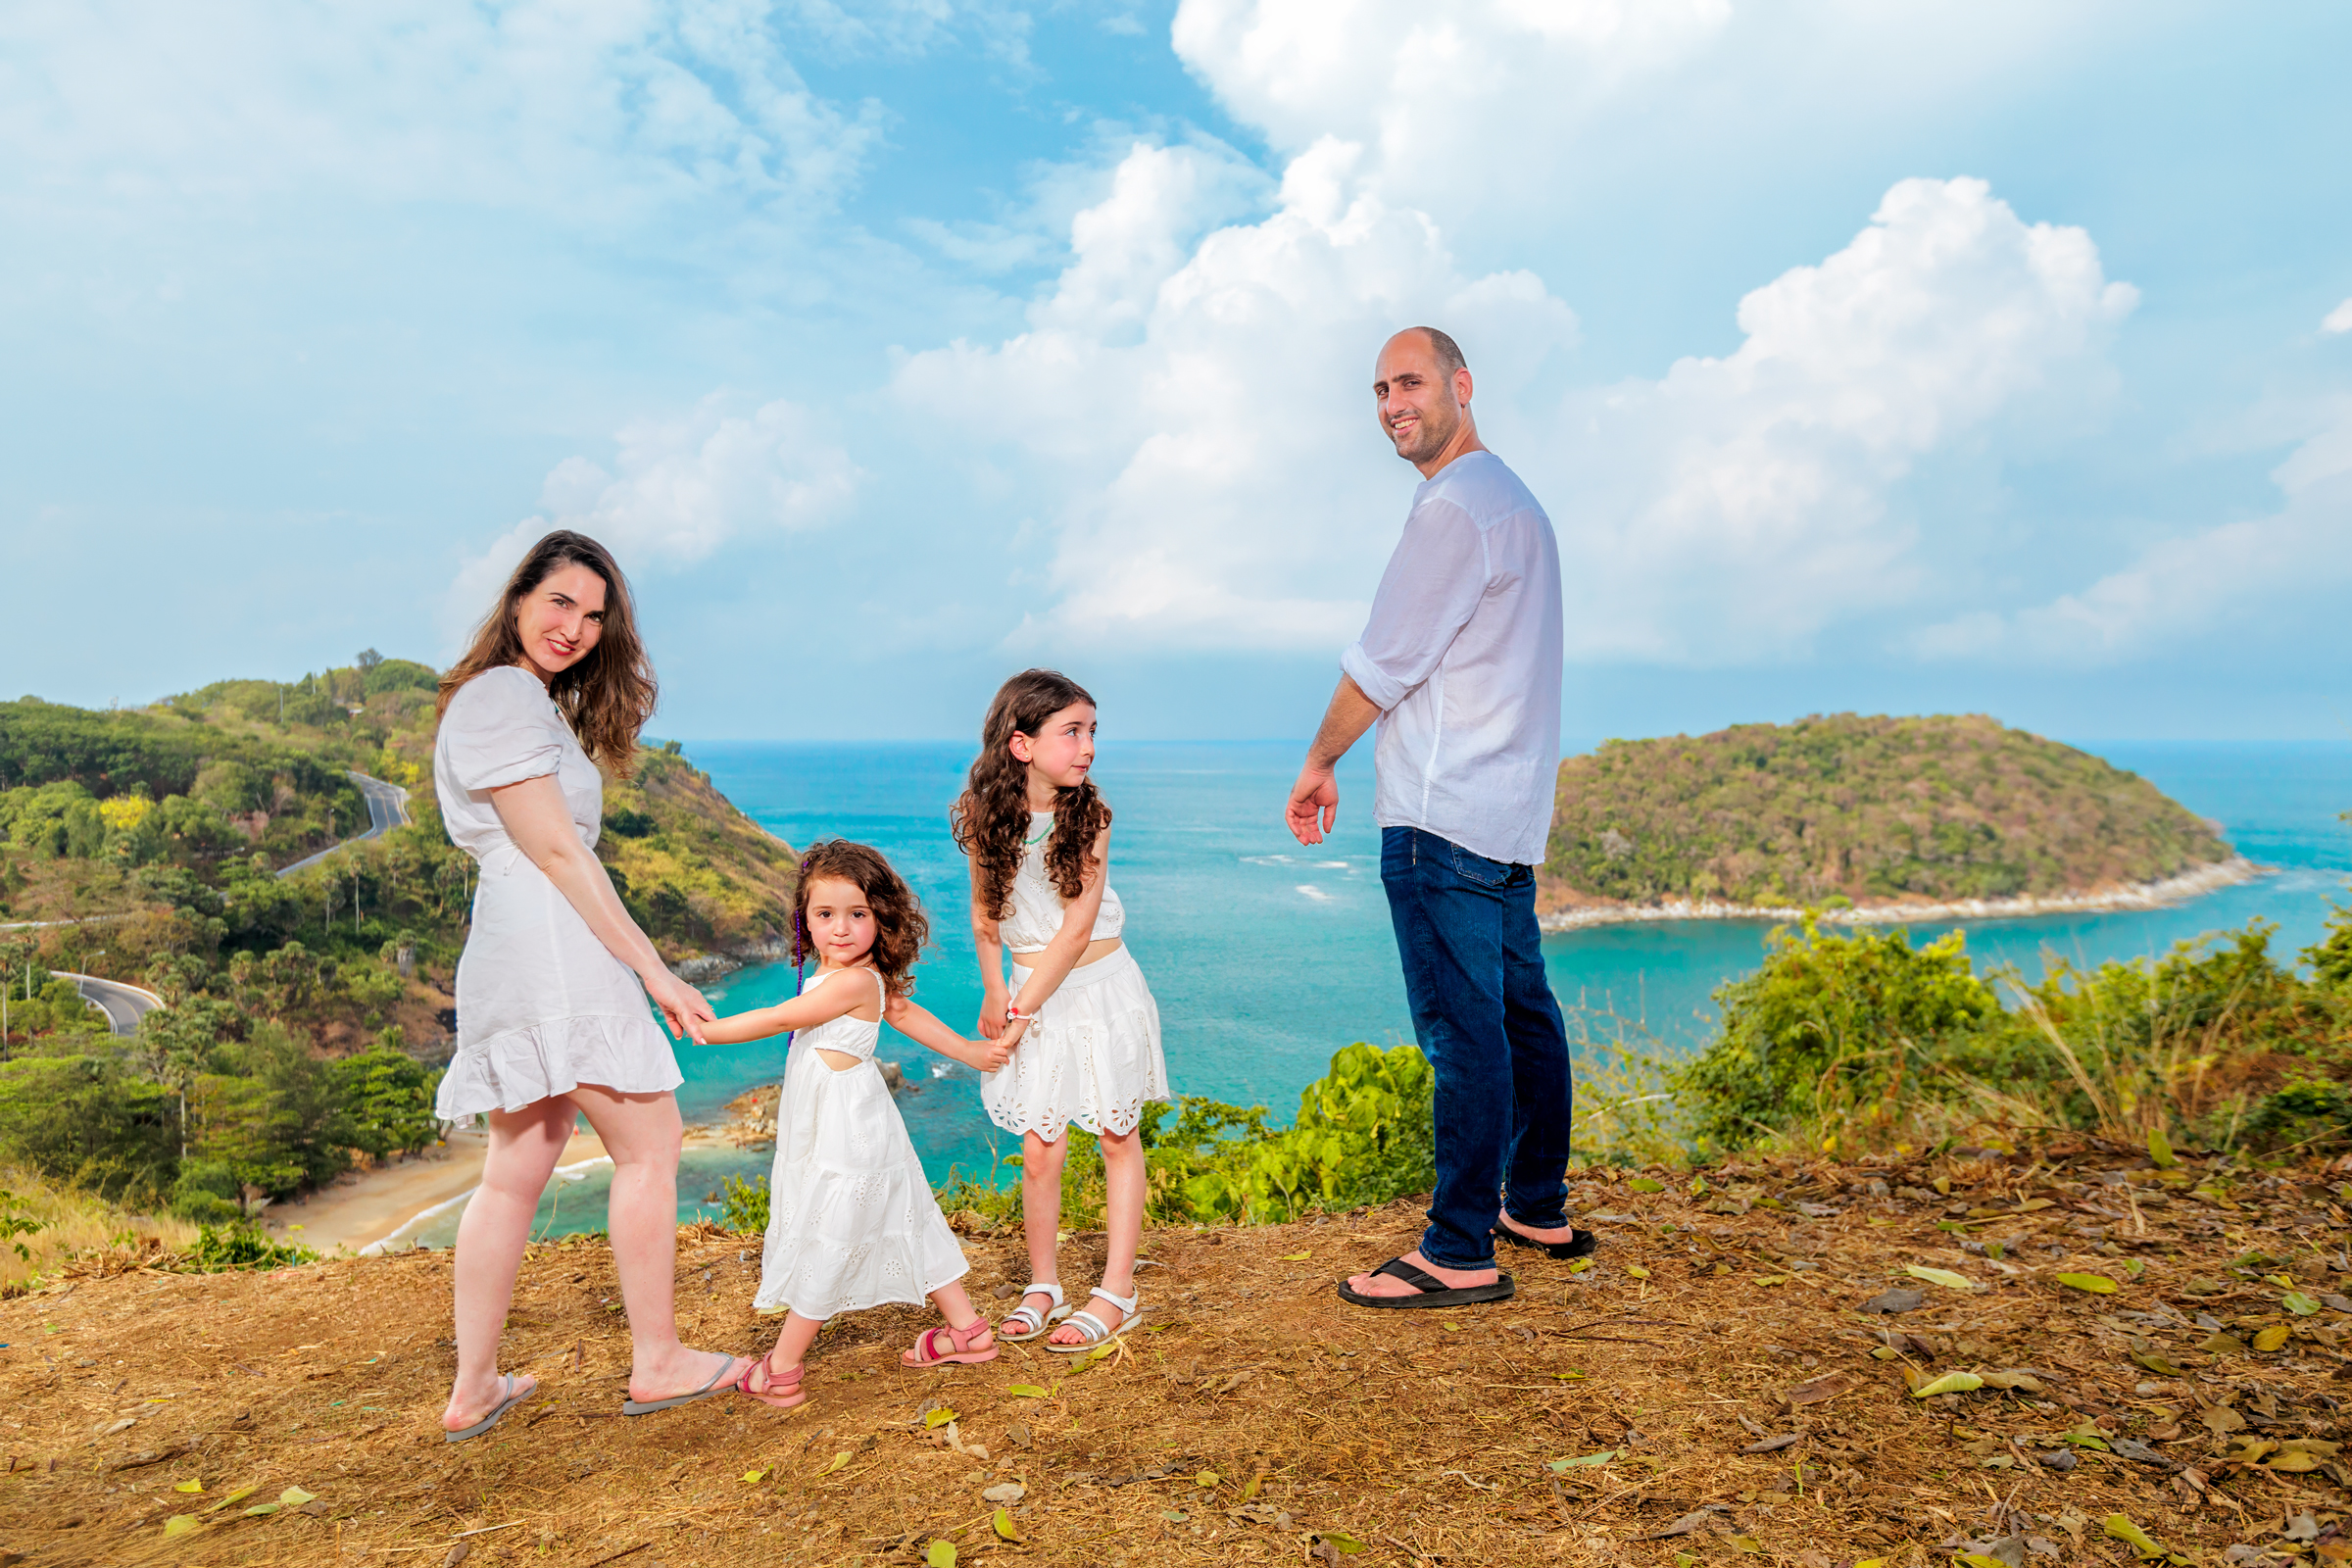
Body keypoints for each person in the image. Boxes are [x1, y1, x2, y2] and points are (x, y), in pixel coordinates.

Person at [1285, 327, 1587, 1311]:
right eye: (1378, 389)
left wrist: (1322, 758)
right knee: (1521, 1014)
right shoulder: (1518, 505)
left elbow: (1382, 661)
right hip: (1504, 808)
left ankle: (1458, 1245)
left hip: (1441, 812)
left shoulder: (1454, 510)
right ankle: (1535, 1202)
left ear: (1462, 384)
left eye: (1408, 382)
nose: (1390, 403)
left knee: (1465, 1034)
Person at [432, 529, 745, 1440]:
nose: (575, 626)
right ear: (519, 598)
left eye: (595, 615)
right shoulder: (500, 696)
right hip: (552, 941)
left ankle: (475, 1387)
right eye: (561, 601)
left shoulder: (520, 702)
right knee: (651, 1141)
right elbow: (561, 851)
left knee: (520, 1162)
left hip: (519, 940)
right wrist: (654, 972)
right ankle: (658, 1360)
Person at [710, 841, 1013, 1409]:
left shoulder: (851, 981)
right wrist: (969, 1053)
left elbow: (779, 1018)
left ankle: (781, 1368)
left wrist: (707, 1028)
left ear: (882, 917)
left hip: (845, 1129)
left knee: (834, 1233)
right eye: (825, 915)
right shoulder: (851, 971)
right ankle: (967, 1331)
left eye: (858, 915)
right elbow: (903, 1011)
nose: (841, 929)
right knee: (905, 1216)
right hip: (853, 1119)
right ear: (806, 916)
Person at [952, 669, 1169, 1351]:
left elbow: (1075, 933)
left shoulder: (1093, 816)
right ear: (1021, 744)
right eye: (1072, 732)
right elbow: (987, 920)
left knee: (1114, 1135)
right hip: (1028, 992)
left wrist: (1018, 1013)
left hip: (1098, 990)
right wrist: (994, 991)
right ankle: (1043, 1284)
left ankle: (1117, 1292)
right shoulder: (987, 818)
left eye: (1092, 731)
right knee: (1041, 1147)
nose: (1088, 747)